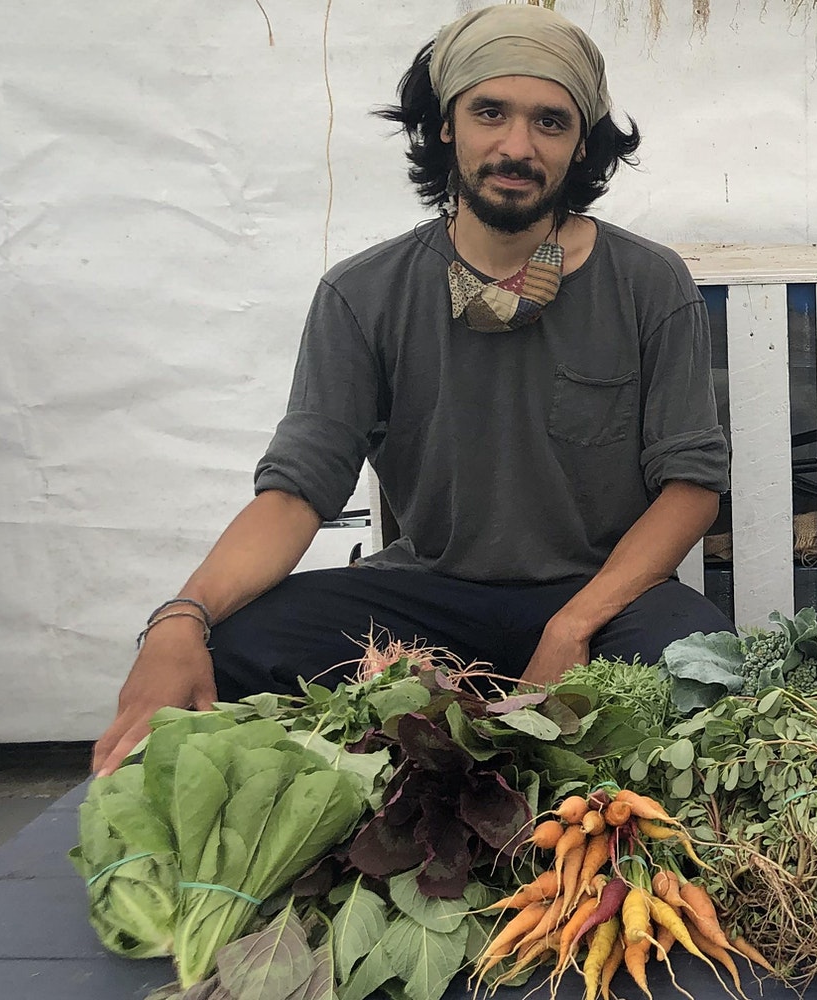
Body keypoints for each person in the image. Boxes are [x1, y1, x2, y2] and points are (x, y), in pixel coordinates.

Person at [93, 5, 730, 775]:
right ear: (444, 127)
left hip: (604, 602)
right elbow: (297, 492)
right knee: (236, 649)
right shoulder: (365, 294)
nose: (517, 146)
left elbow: (690, 487)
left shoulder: (646, 282)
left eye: (550, 122)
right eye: (489, 112)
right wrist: (180, 619)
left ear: (581, 146)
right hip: (428, 601)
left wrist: (570, 628)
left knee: (702, 668)